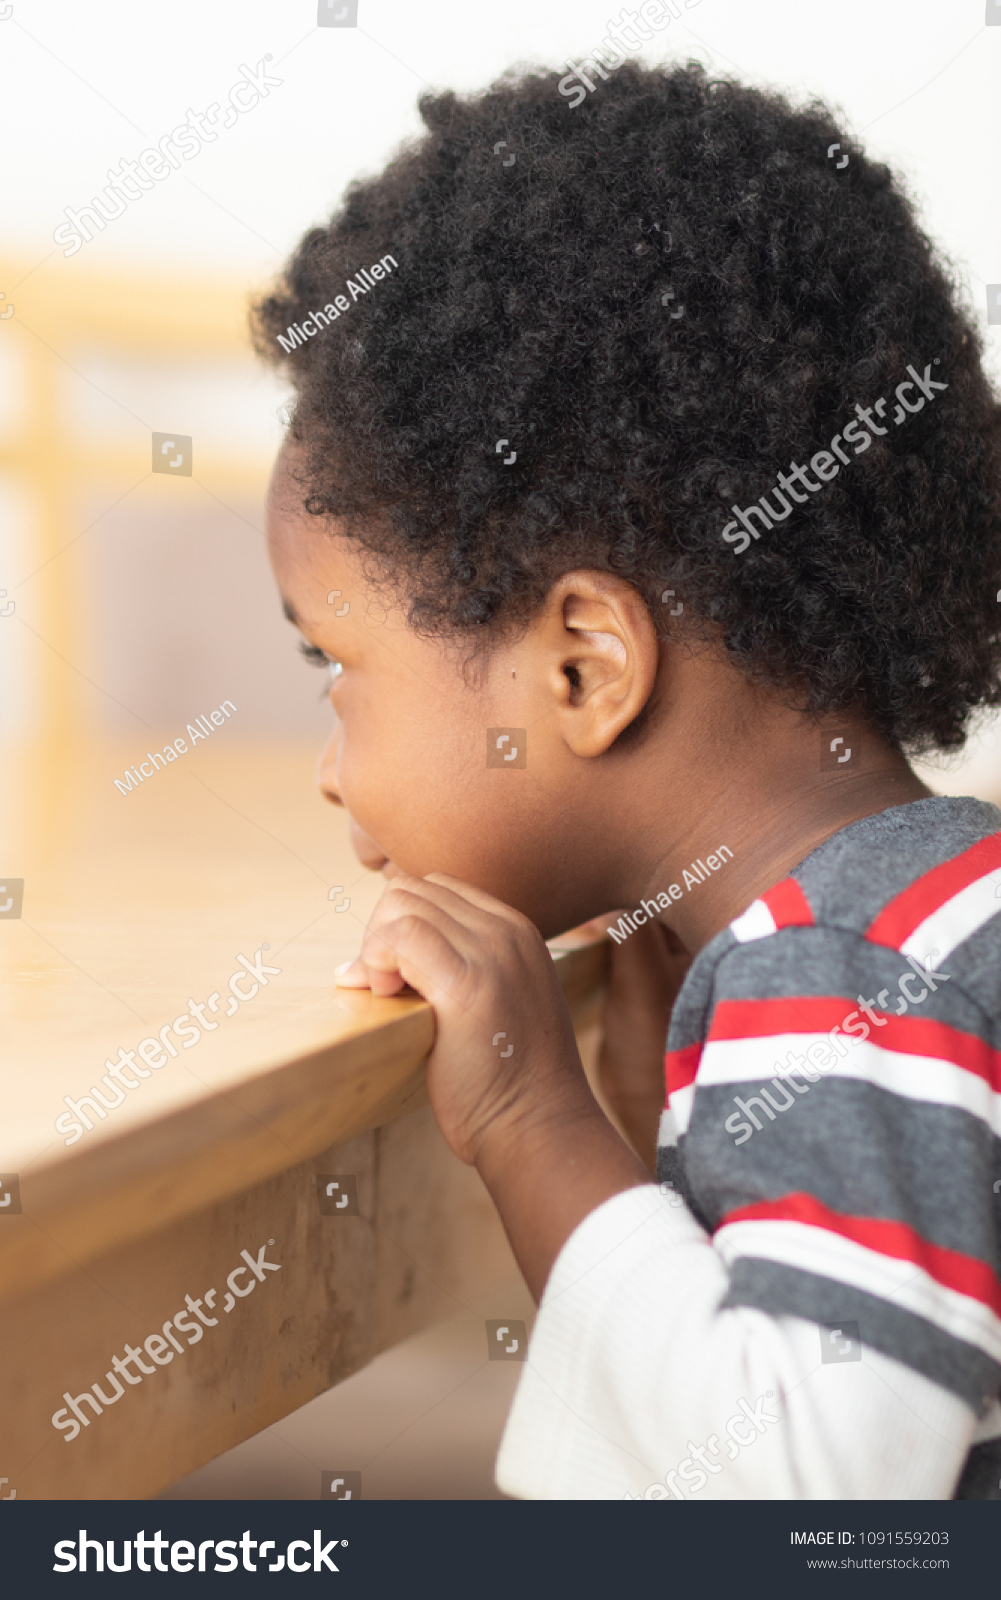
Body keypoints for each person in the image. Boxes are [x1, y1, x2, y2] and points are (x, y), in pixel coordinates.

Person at [254, 60, 1001, 1499]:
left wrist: (538, 1125)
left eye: (330, 668)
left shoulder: (840, 973)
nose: (329, 774)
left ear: (584, 669)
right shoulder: (931, 903)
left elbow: (813, 1498)